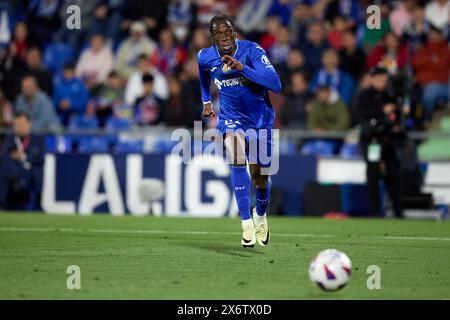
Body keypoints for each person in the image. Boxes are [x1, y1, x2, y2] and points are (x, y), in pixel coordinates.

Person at [198, 15, 281, 247]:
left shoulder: (252, 51)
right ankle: (245, 222)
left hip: (260, 120)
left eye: (228, 32)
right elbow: (202, 72)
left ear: (234, 33)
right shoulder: (206, 56)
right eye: (218, 34)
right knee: (236, 156)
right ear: (212, 37)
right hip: (231, 119)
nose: (224, 38)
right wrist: (206, 100)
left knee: (260, 178)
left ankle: (261, 215)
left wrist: (242, 68)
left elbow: (275, 84)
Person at [355, 67, 404, 218]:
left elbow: (399, 116)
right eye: (378, 80)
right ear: (372, 79)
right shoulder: (364, 96)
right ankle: (375, 212)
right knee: (373, 176)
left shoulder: (390, 95)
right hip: (372, 142)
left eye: (384, 80)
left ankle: (398, 212)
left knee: (394, 175)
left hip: (388, 141)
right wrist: (383, 111)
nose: (381, 83)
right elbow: (362, 115)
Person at [0, 112, 44, 210]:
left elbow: (40, 158)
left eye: (22, 124)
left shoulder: (37, 139)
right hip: (12, 171)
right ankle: (2, 204)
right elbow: (4, 155)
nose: (20, 127)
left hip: (30, 171)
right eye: (17, 124)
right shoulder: (10, 138)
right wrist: (12, 156)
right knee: (4, 166)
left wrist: (23, 156)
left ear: (29, 124)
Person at [412, 26, 450, 122]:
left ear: (441, 36)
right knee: (429, 92)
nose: (433, 37)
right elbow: (415, 62)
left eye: (435, 35)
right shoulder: (424, 49)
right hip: (429, 84)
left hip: (444, 83)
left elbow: (440, 65)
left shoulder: (446, 50)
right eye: (431, 34)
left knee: (431, 89)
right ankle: (428, 118)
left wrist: (424, 71)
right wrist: (431, 60)